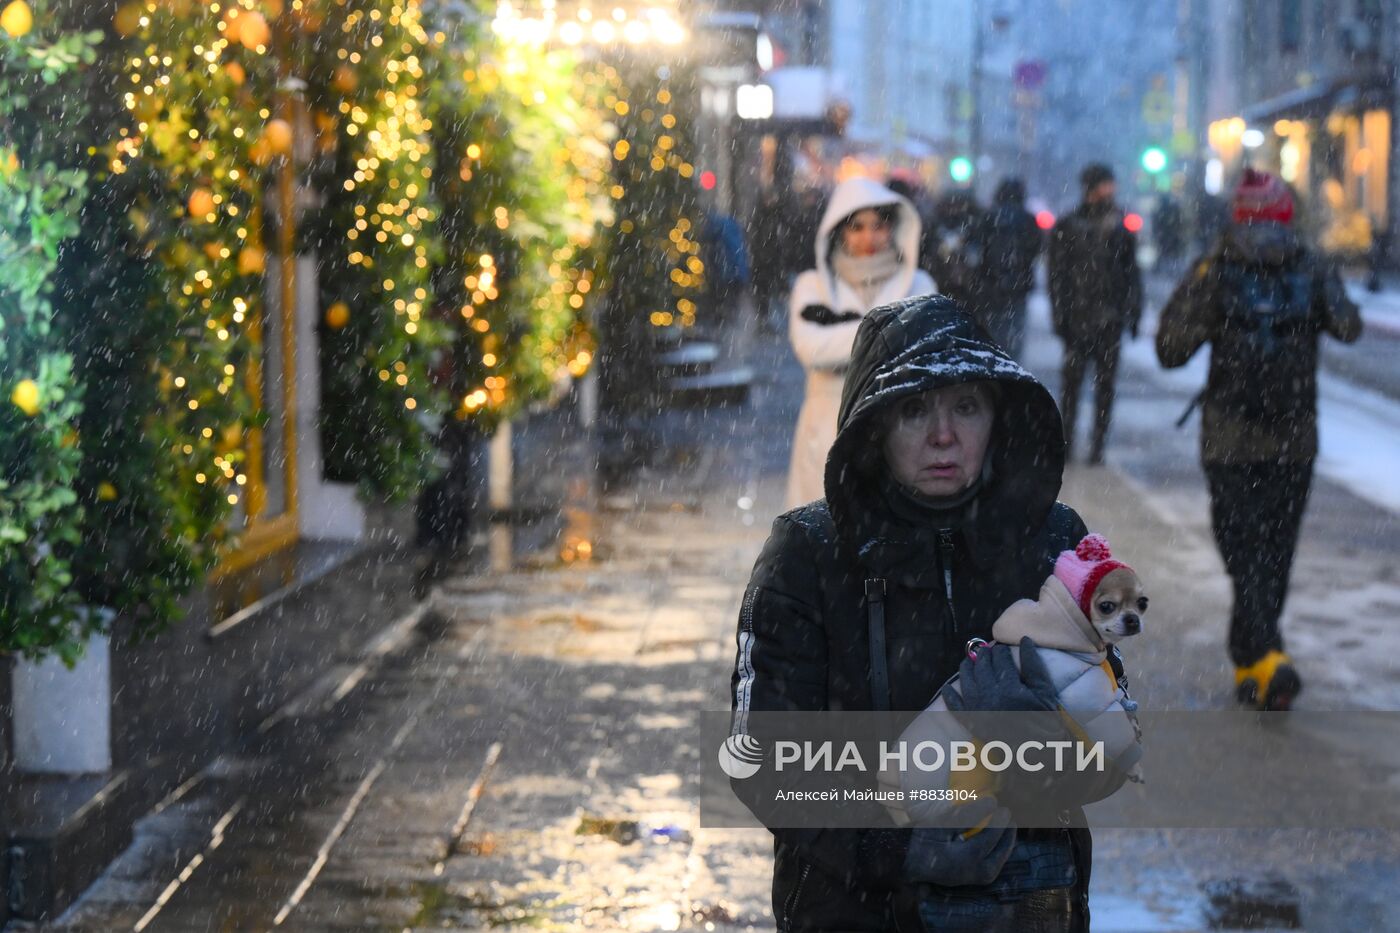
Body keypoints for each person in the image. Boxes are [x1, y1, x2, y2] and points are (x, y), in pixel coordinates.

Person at [732, 295, 1111, 931]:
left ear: (997, 414)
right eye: (914, 410)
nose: (943, 435)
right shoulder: (808, 556)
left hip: (1025, 907)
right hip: (855, 913)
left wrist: (1054, 741)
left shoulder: (1052, 542)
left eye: (966, 406)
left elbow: (1110, 734)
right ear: (874, 426)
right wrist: (897, 848)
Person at [1156, 168, 1361, 711]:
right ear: (1285, 214)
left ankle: (1260, 656)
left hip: (1229, 437)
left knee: (1242, 548)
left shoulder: (1215, 265)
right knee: (1275, 550)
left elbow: (1170, 348)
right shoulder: (1312, 263)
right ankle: (1262, 654)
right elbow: (1348, 326)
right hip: (1295, 437)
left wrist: (1211, 299)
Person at [784, 176, 935, 508]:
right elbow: (811, 349)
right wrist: (889, 332)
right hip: (825, 431)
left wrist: (845, 333)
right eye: (858, 227)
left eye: (879, 225)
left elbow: (924, 347)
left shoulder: (919, 284)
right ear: (840, 231)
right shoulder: (812, 287)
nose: (869, 237)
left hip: (897, 432)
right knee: (823, 544)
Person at [1048, 163, 1143, 465]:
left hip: (1108, 319)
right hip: (1078, 320)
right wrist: (1060, 315)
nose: (1111, 190)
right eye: (1105, 185)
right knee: (1073, 386)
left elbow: (1131, 273)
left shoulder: (1120, 226)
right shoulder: (1069, 225)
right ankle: (1067, 441)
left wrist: (1134, 311)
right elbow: (1057, 275)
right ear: (1092, 188)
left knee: (1104, 386)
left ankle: (1097, 445)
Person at [970, 177, 1043, 359]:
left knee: (991, 333)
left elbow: (976, 247)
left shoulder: (988, 216)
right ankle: (1010, 371)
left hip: (989, 285)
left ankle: (991, 369)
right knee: (1013, 334)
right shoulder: (1028, 219)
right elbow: (1036, 249)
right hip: (1018, 287)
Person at [926, 188, 984, 307]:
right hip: (945, 284)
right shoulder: (935, 224)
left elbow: (978, 254)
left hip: (964, 287)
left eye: (958, 205)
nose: (954, 209)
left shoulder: (973, 224)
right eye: (951, 205)